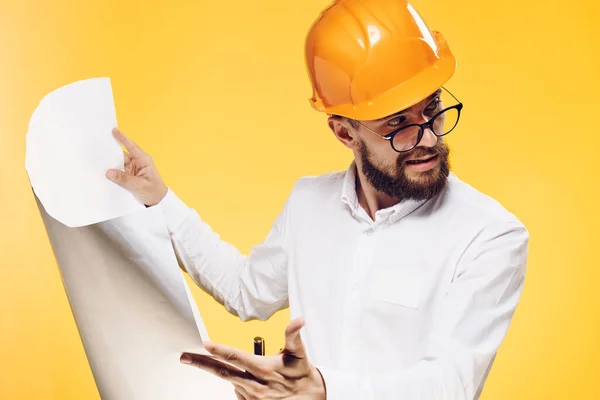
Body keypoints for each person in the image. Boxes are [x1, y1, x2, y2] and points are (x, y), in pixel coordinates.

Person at [106, 0, 529, 399]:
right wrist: (160, 200)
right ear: (345, 133)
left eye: (432, 107)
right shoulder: (308, 203)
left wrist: (322, 390)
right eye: (398, 122)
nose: (430, 138)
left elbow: (450, 384)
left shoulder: (490, 235)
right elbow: (245, 291)